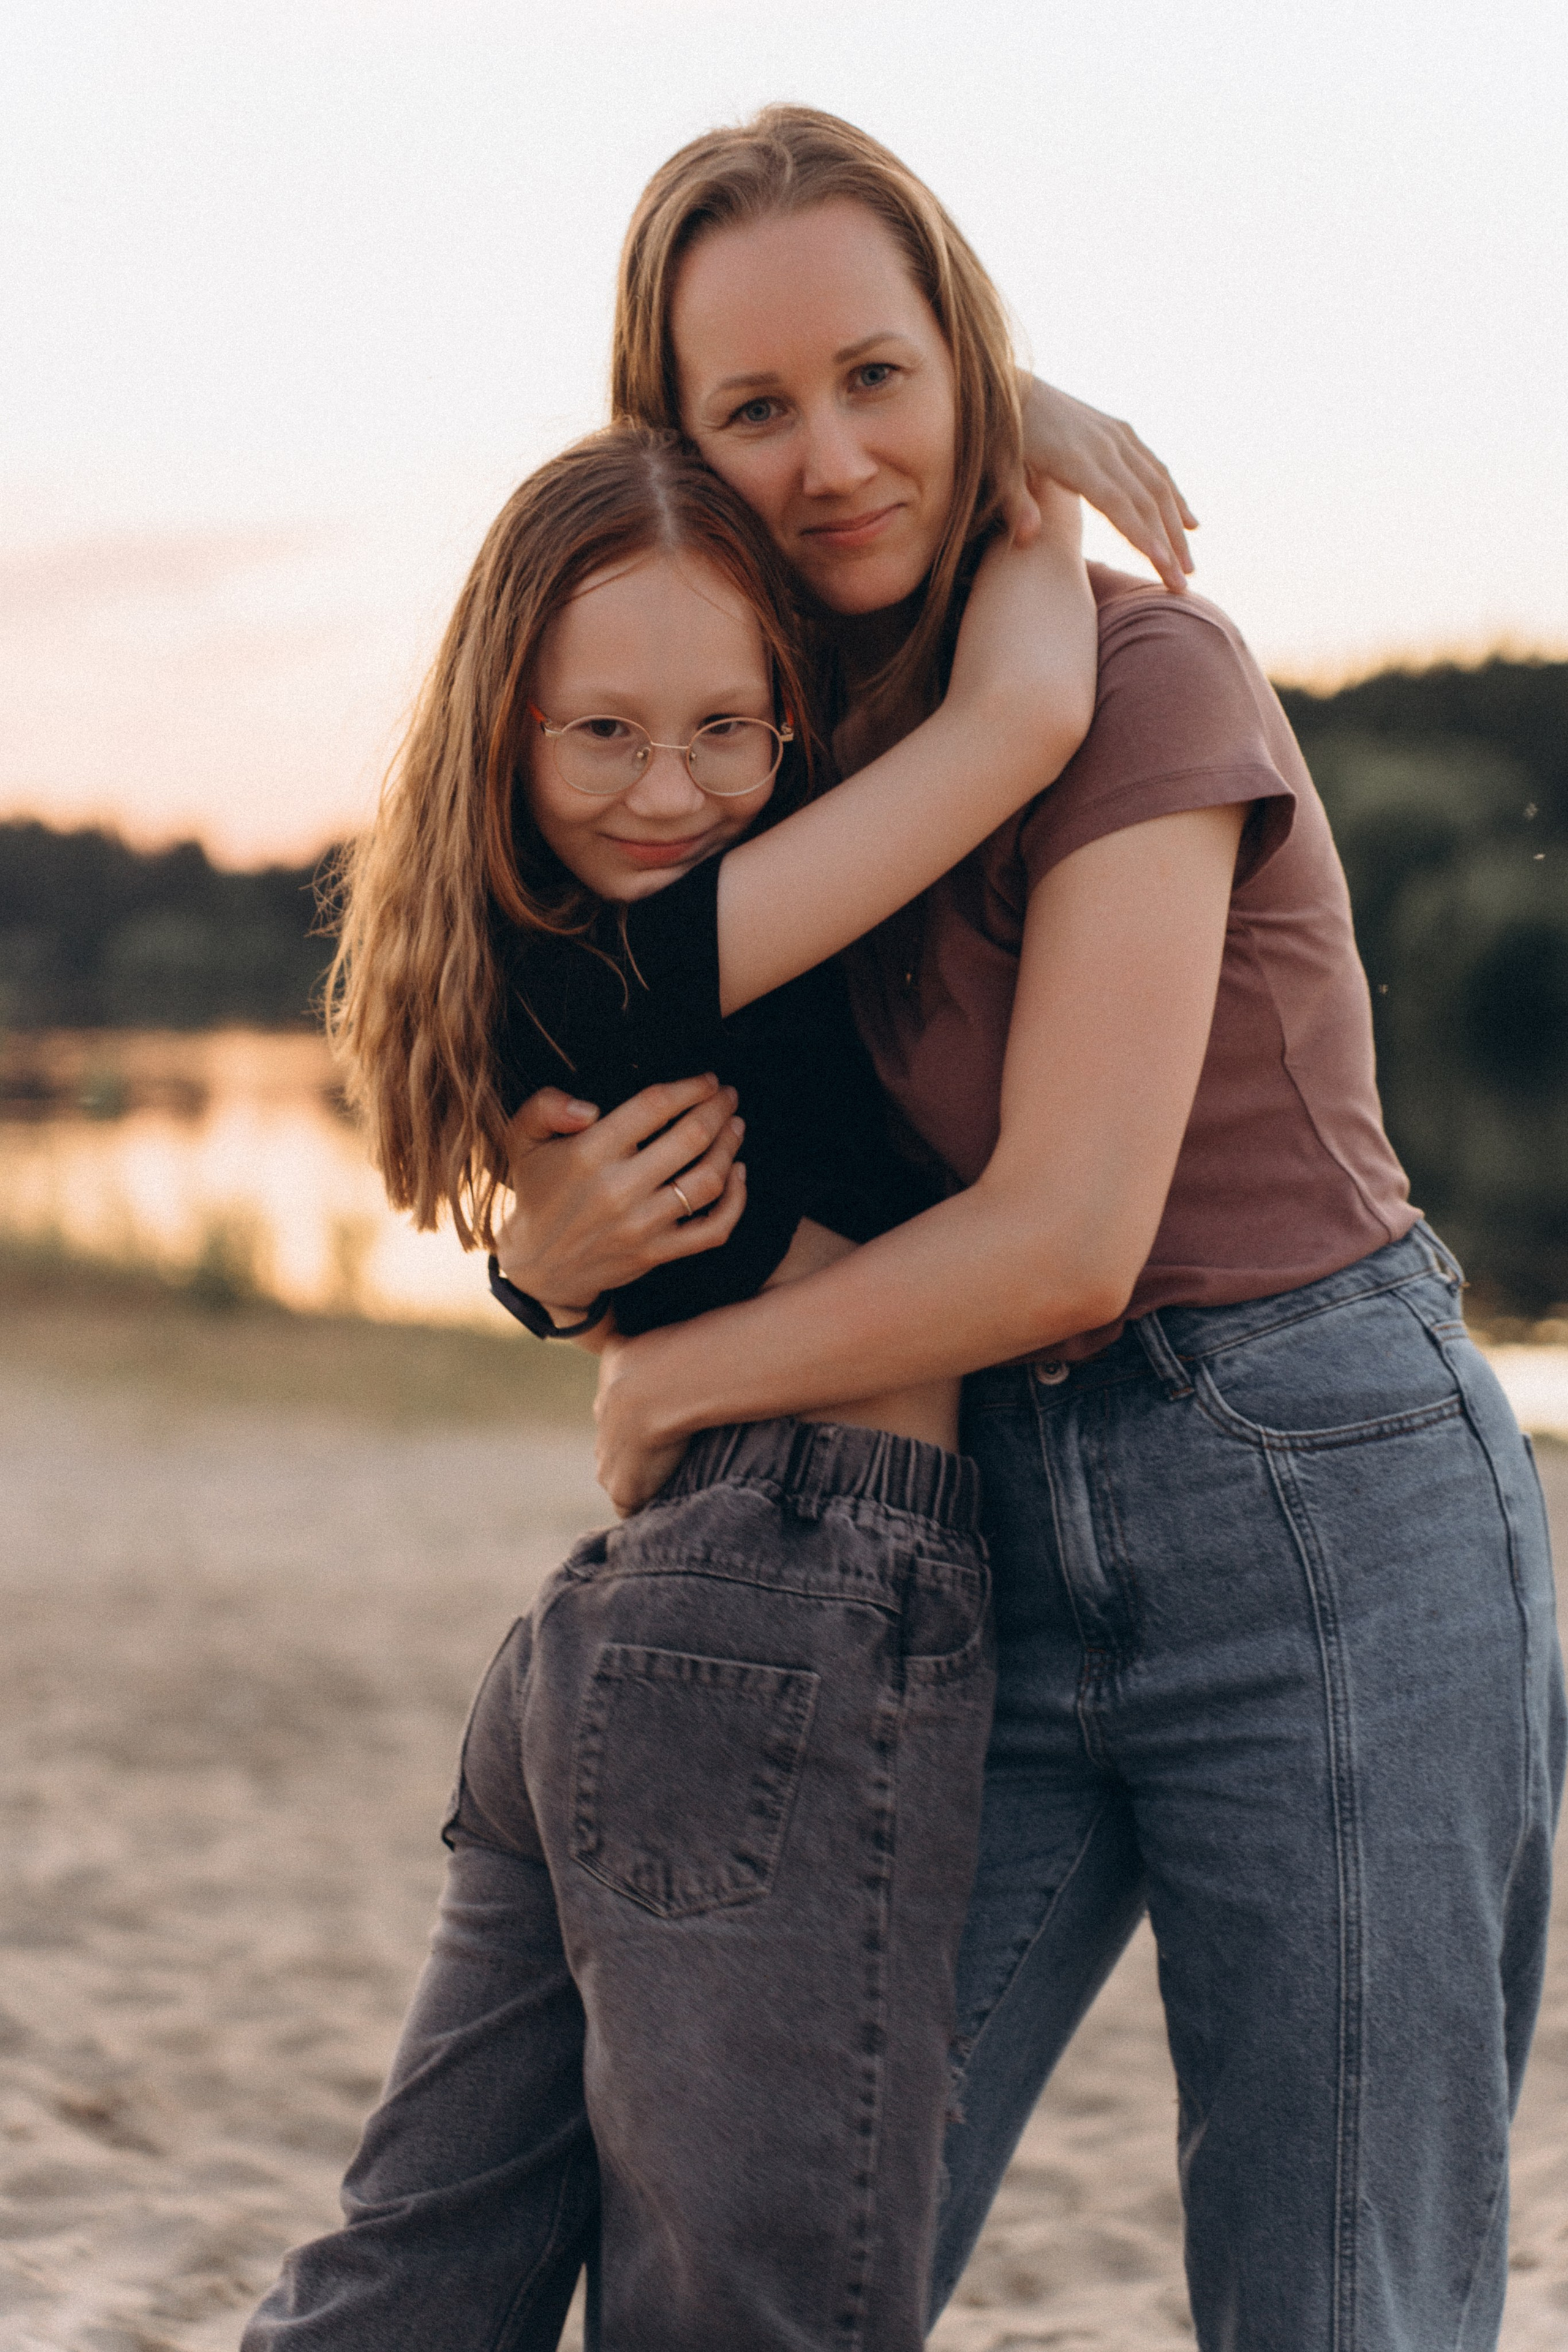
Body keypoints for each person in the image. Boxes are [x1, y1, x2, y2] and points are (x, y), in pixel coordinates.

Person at [496, 106, 1566, 2351]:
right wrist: (552, 1257)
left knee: (1336, 2299)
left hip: (1317, 1511)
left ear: (964, 356)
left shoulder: (1138, 680)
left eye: (881, 376)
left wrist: (666, 1378)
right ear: (669, 445)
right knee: (771, 2233)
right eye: (754, 410)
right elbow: (621, 1086)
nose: (830, 457)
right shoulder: (763, 756)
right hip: (953, 1535)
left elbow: (1070, 1235)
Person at [242, 421, 1105, 2351]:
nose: (676, 789)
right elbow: (1030, 716)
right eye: (604, 736)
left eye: (734, 729)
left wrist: (538, 1291)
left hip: (637, 1630)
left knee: (412, 2276)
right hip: (791, 1612)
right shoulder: (663, 947)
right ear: (505, 735)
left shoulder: (556, 943)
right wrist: (1018, 451)